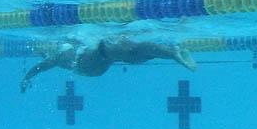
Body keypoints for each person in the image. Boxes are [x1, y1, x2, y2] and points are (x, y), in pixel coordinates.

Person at [20, 36, 197, 93]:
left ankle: (172, 53)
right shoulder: (57, 56)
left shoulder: (61, 50)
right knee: (109, 47)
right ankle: (173, 53)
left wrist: (27, 79)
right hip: (84, 64)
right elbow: (39, 67)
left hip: (90, 67)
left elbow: (38, 68)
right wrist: (26, 78)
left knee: (129, 54)